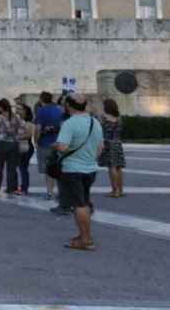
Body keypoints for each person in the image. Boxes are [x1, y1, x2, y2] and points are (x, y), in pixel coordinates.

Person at [53, 93, 104, 251]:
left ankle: (86, 239)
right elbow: (100, 147)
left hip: (73, 169)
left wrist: (54, 146)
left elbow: (62, 147)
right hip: (90, 169)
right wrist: (89, 159)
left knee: (79, 204)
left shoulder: (70, 123)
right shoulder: (94, 122)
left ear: (68, 106)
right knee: (84, 202)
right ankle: (83, 235)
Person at [0, 98, 22, 197]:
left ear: (1, 107)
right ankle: (11, 191)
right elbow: (21, 129)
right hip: (14, 144)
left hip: (2, 144)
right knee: (11, 169)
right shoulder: (16, 117)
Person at [34, 91, 64, 200]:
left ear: (41, 99)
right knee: (59, 168)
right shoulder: (59, 110)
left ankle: (50, 192)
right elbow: (63, 126)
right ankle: (62, 192)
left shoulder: (40, 111)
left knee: (48, 170)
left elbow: (38, 128)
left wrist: (36, 141)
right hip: (58, 143)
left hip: (45, 143)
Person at [99, 98, 126, 198]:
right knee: (118, 167)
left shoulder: (103, 118)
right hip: (118, 143)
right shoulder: (119, 118)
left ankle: (115, 191)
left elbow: (101, 130)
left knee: (112, 167)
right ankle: (120, 189)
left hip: (108, 143)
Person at [15, 99, 35, 196]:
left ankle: (24, 188)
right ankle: (22, 186)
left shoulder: (29, 122)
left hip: (26, 147)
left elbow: (29, 135)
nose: (17, 110)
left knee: (23, 168)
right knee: (22, 167)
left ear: (25, 111)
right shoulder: (17, 120)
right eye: (17, 109)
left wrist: (16, 136)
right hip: (19, 146)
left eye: (20, 109)